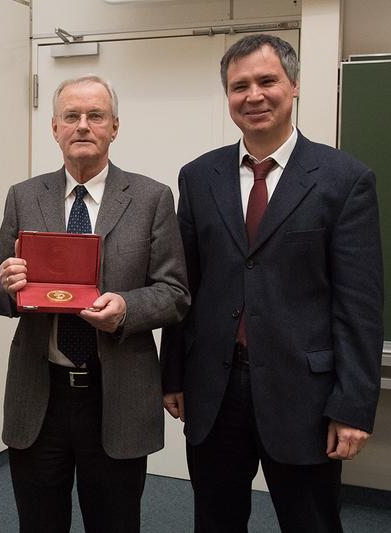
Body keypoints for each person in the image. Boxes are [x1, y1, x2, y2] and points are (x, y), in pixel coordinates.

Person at [161, 34, 383, 532]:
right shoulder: (198, 178)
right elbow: (185, 285)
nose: (254, 96)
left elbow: (360, 306)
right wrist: (172, 374)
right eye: (240, 86)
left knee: (311, 523)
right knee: (216, 521)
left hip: (304, 394)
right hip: (215, 390)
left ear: (295, 85)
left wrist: (353, 405)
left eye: (267, 81)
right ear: (228, 96)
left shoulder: (343, 179)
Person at [0, 74, 190, 532]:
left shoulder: (151, 198)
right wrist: (9, 285)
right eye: (71, 116)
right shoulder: (24, 196)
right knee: (38, 523)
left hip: (116, 393)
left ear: (114, 127)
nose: (82, 125)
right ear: (54, 128)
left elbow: (175, 293)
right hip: (40, 393)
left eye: (95, 115)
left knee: (114, 522)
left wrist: (126, 310)